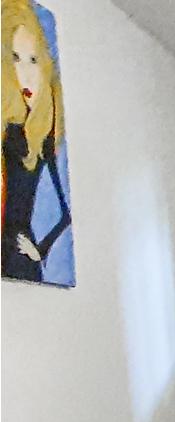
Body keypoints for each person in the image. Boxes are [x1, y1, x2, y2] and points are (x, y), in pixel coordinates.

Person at [3, 0, 69, 284]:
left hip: (18, 257)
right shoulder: (9, 128)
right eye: (15, 58)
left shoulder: (41, 138)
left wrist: (39, 251)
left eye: (33, 60)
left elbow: (64, 214)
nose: (27, 75)